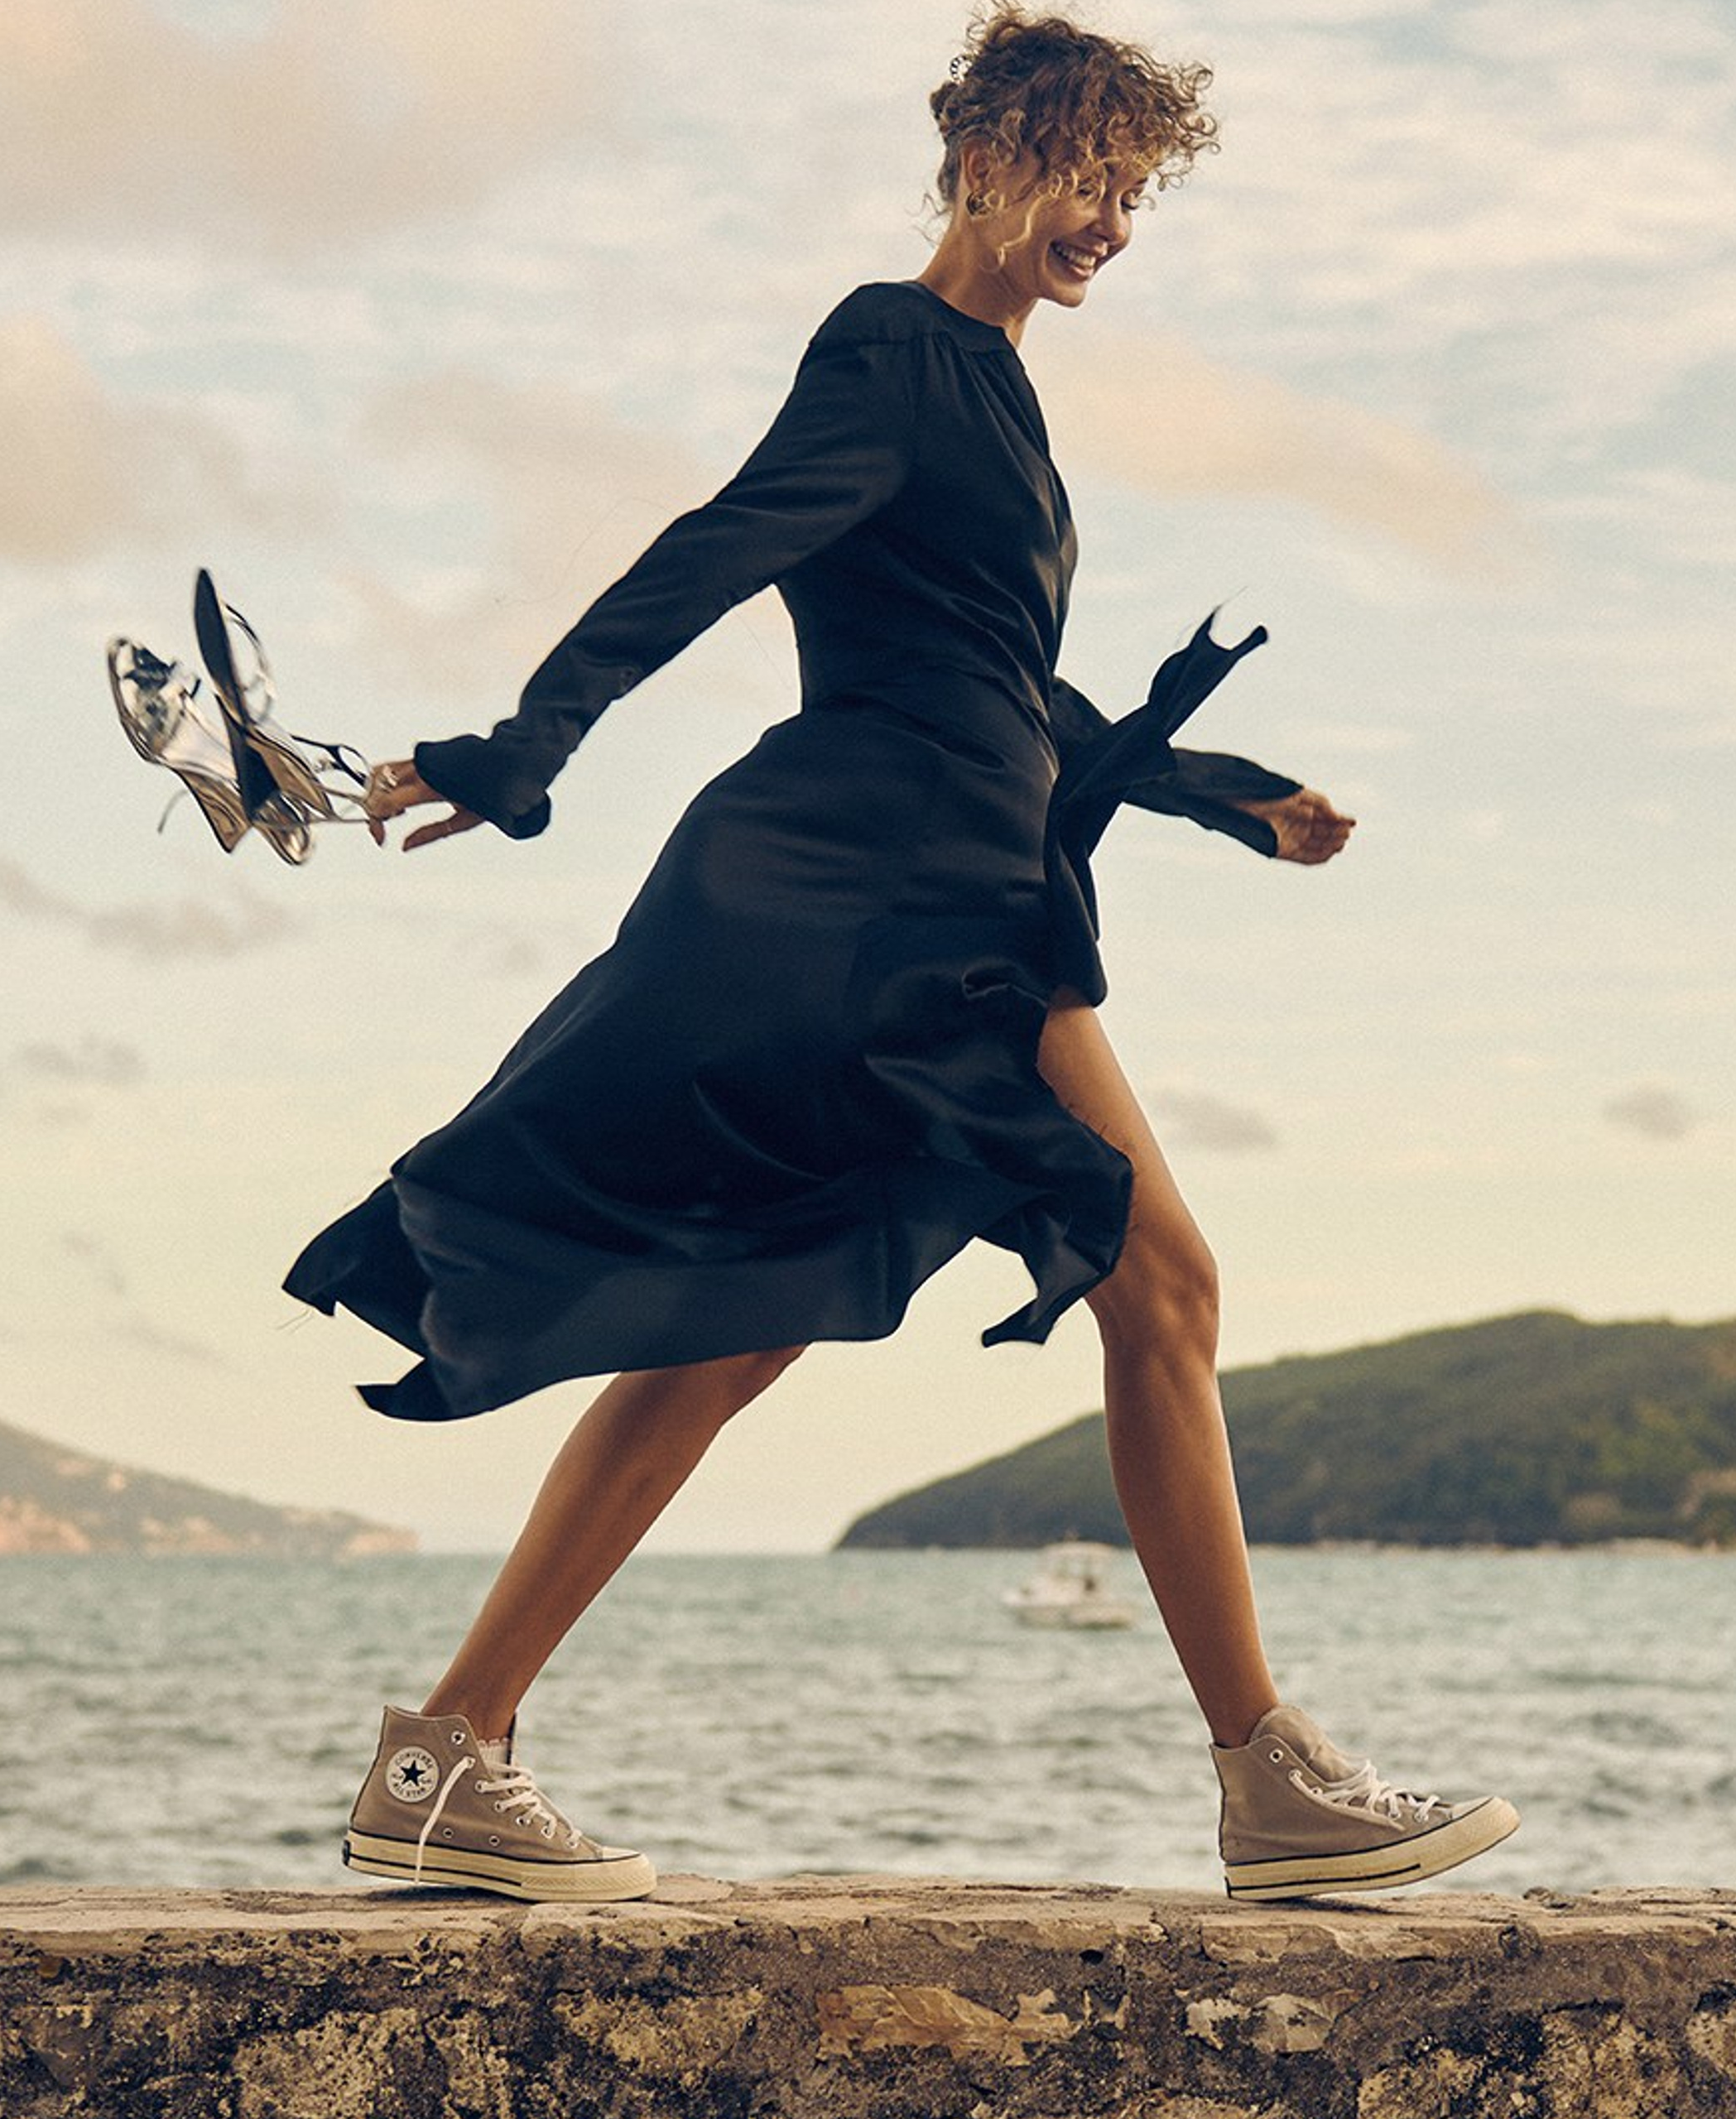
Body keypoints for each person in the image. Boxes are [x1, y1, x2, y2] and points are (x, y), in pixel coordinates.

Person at [292, 6, 1517, 1905]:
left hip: (956, 884)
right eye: (1075, 173)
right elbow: (721, 541)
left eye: (1130, 187)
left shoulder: (1000, 393)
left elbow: (1003, 679)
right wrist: (532, 740)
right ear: (973, 161)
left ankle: (445, 1751)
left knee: (747, 1319)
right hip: (874, 898)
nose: (1108, 218)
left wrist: (1217, 789)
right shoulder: (893, 345)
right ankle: (1266, 1781)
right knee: (1163, 1284)